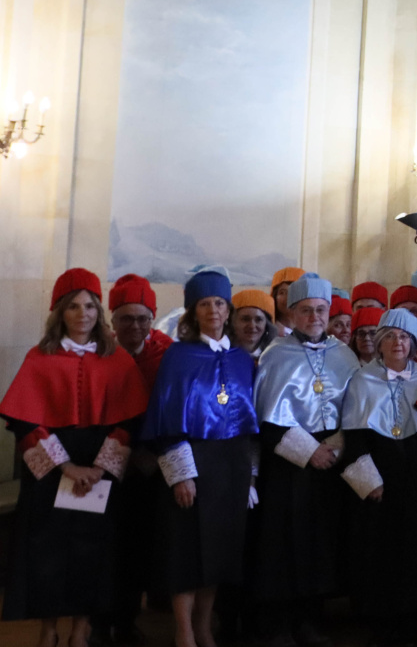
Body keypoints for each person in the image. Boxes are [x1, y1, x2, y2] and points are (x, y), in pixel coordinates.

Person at [0, 268, 150, 647]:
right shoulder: (39, 357)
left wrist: (99, 468)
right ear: (59, 312)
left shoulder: (116, 360)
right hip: (52, 468)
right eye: (73, 306)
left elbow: (128, 422)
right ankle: (48, 631)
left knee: (93, 552)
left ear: (99, 312)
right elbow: (25, 423)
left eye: (89, 306)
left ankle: (80, 631)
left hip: (99, 468)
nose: (82, 314)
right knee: (46, 554)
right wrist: (65, 467)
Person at [139, 268, 258, 647]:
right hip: (192, 463)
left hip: (231, 466)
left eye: (219, 303)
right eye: (204, 304)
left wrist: (250, 477)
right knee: (185, 553)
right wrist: (181, 476)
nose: (212, 310)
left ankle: (205, 625)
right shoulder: (178, 357)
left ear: (228, 310)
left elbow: (250, 423)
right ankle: (184, 629)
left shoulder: (242, 360)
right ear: (192, 312)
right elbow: (165, 420)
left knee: (219, 554)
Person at [251, 272, 362, 647]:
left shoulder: (344, 355)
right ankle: (279, 623)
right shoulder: (274, 354)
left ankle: (311, 620)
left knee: (321, 542)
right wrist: (308, 451)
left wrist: (333, 447)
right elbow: (265, 421)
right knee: (284, 543)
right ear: (291, 312)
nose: (314, 317)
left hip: (330, 459)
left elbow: (358, 412)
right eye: (305, 310)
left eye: (320, 310)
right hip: (289, 463)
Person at [337, 309, 417, 646]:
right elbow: (353, 437)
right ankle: (381, 615)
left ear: (414, 344)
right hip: (380, 478)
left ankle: (416, 612)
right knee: (380, 547)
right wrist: (369, 481)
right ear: (379, 343)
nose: (398, 342)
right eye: (391, 337)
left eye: (405, 337)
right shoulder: (362, 379)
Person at [100, 275, 170, 646]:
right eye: (126, 318)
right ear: (112, 320)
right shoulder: (97, 352)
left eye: (144, 318)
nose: (136, 326)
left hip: (148, 467)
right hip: (102, 464)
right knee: (101, 547)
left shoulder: (166, 352)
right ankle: (97, 624)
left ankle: (127, 622)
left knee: (137, 547)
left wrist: (152, 453)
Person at [231, 289, 276, 358]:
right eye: (245, 319)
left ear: (267, 325)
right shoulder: (223, 356)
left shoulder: (275, 357)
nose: (252, 326)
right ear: (233, 323)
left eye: (258, 320)